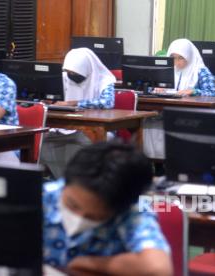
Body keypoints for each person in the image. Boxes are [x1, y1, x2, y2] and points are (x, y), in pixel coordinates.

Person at [43, 142, 172, 276]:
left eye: (92, 217)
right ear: (65, 182)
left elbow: (158, 268)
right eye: (71, 205)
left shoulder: (133, 211)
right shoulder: (41, 196)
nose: (78, 218)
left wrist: (86, 263)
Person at [40, 48, 116, 178]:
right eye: (68, 72)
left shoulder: (104, 80)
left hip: (95, 128)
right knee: (43, 142)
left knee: (79, 144)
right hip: (66, 126)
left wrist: (74, 103)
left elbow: (107, 102)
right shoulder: (64, 77)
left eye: (75, 73)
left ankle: (82, 183)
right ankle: (63, 180)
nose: (71, 75)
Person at [144, 39, 215, 160]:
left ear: (189, 57)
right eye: (173, 57)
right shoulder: (166, 70)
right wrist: (157, 89)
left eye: (181, 58)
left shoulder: (201, 71)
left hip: (191, 113)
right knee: (150, 121)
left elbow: (212, 93)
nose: (176, 62)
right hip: (166, 110)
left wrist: (194, 91)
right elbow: (153, 87)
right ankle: (156, 160)